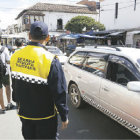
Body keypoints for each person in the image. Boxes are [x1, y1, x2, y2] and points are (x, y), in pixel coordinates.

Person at [10, 21, 69, 139]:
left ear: (29, 36)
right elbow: (59, 92)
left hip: (24, 113)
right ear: (47, 37)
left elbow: (14, 83)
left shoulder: (15, 56)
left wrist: (17, 102)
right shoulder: (50, 59)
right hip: (45, 116)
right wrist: (64, 115)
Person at [0, 40, 14, 114]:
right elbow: (8, 61)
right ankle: (9, 103)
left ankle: (2, 107)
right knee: (7, 87)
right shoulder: (4, 49)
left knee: (0, 90)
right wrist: (8, 70)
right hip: (5, 72)